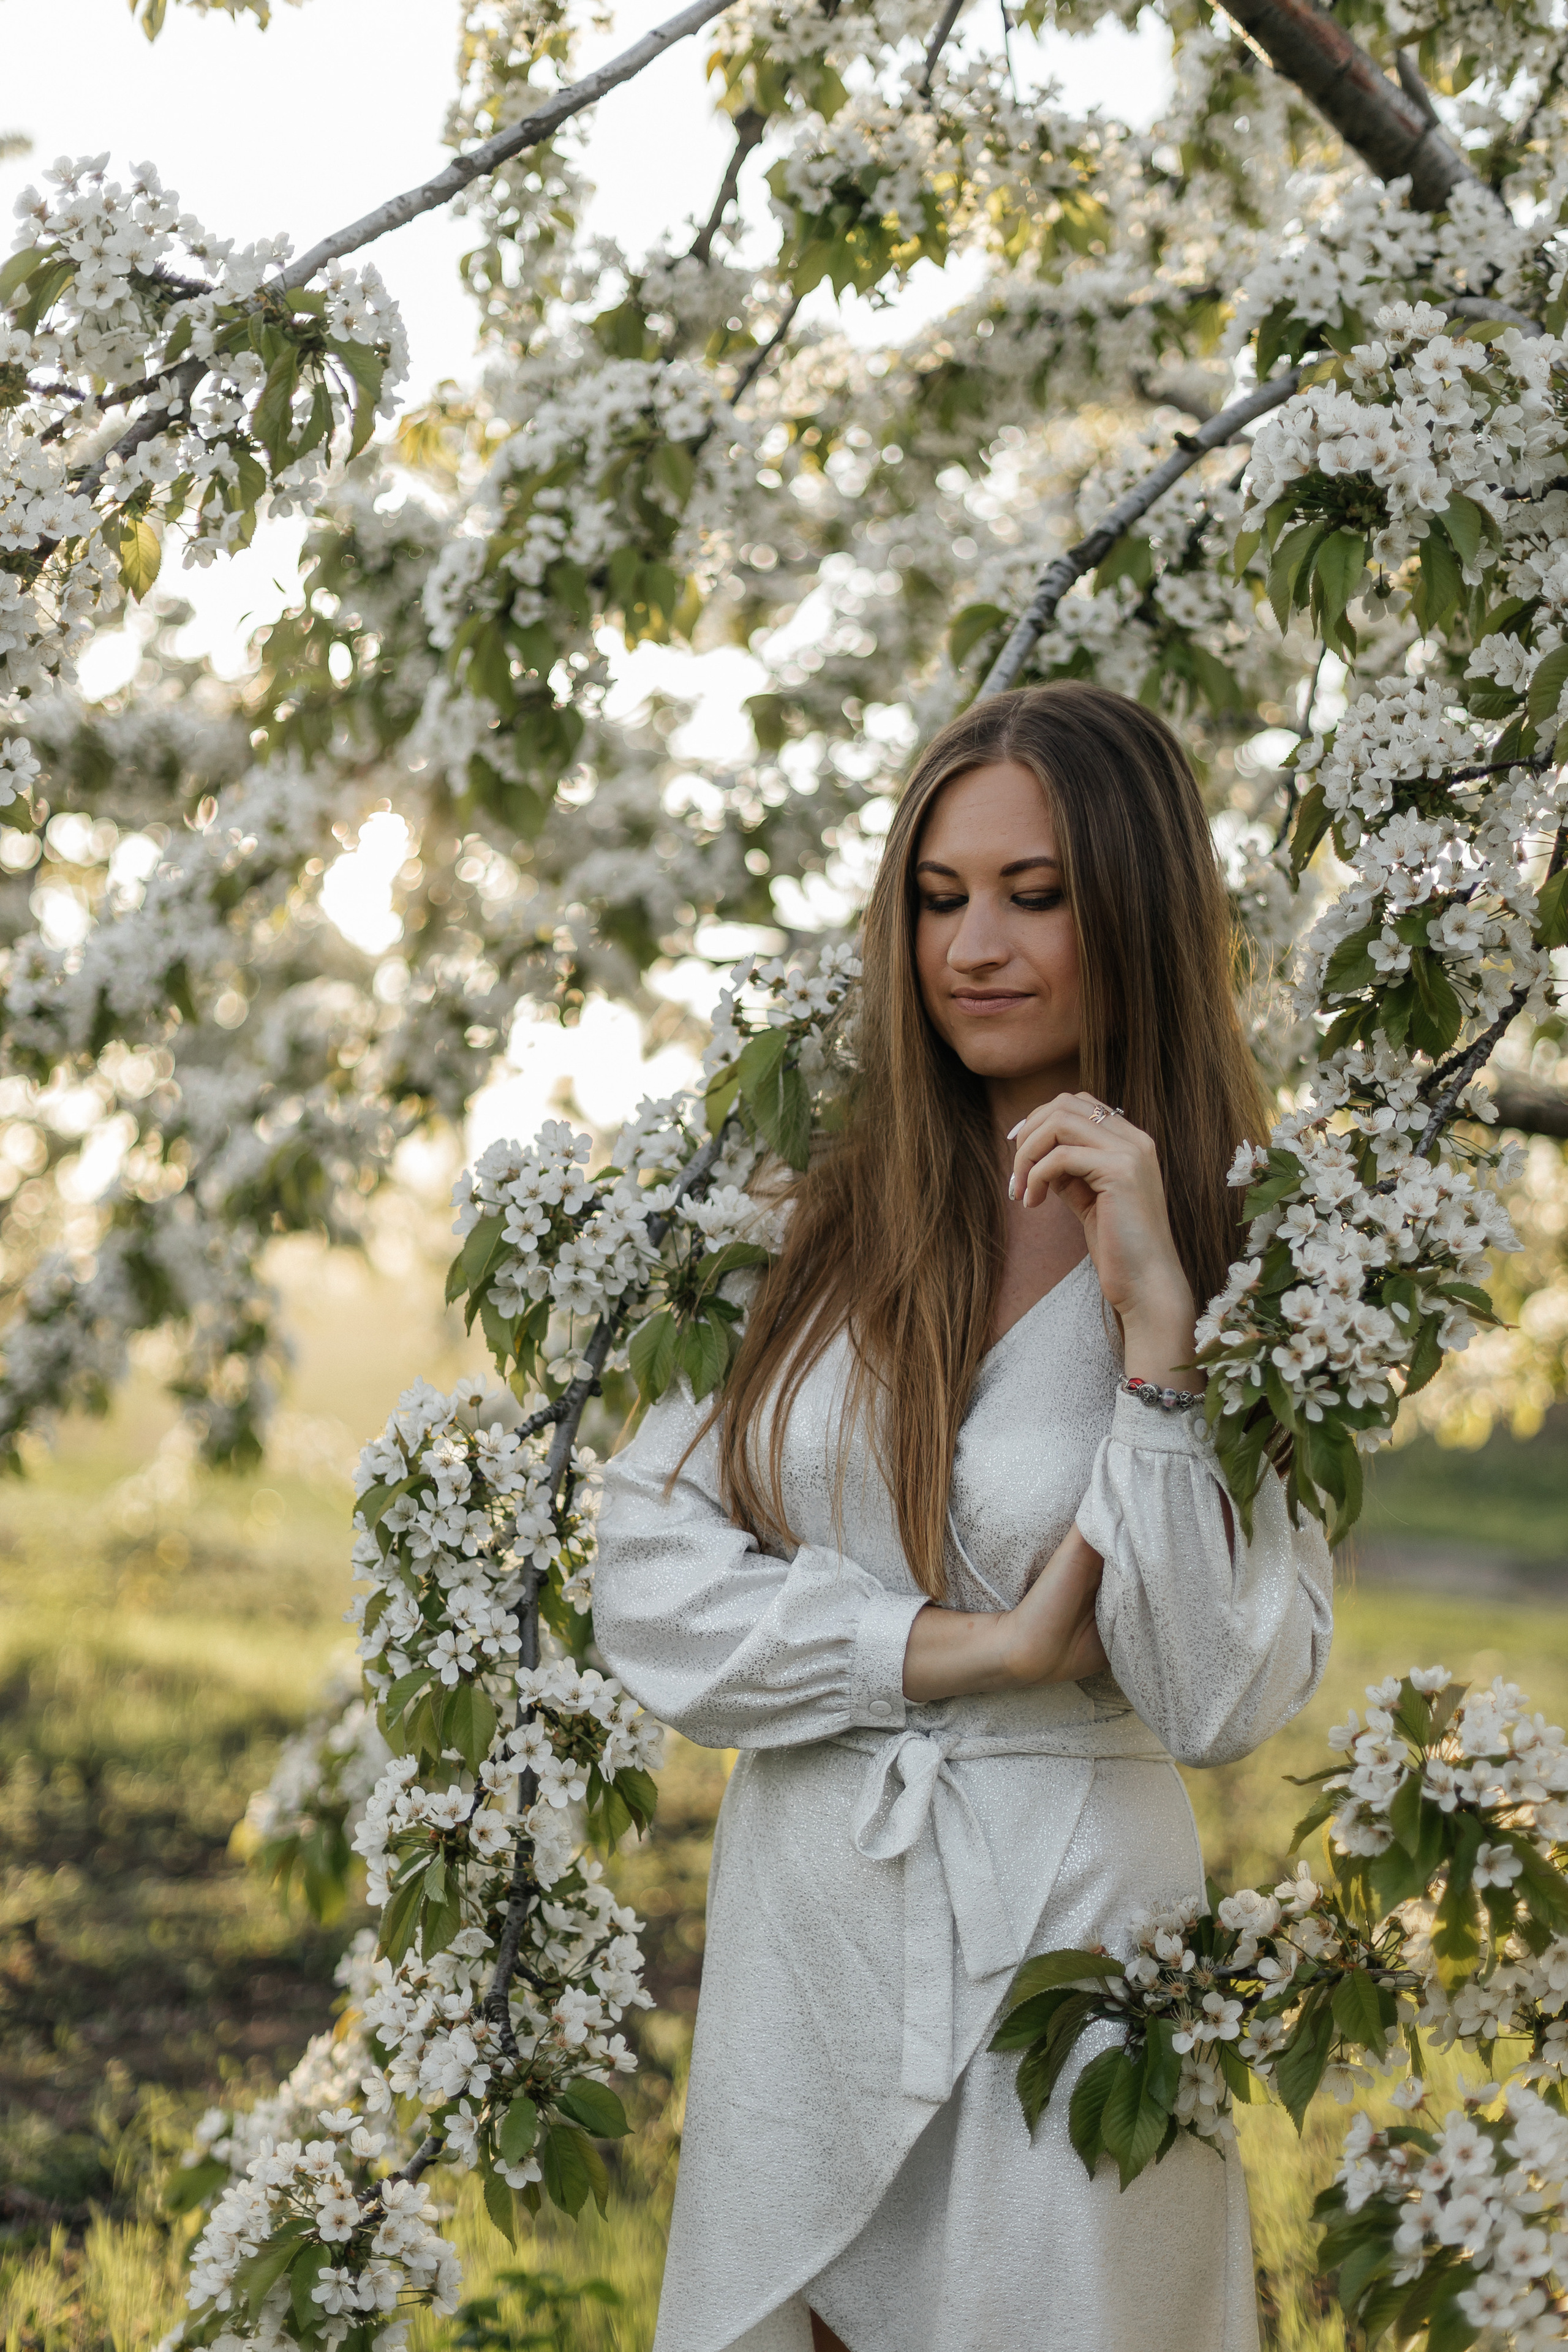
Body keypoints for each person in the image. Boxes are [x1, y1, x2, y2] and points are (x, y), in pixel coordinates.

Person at [592, 681, 1333, 2352]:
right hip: (814, 1896)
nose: (973, 946)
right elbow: (647, 1574)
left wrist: (1159, 1337)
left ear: (1134, 909)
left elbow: (1217, 1696)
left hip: (1071, 1930)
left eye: (1035, 894)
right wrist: (957, 1648)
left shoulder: (1259, 1259)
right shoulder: (813, 1212)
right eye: (939, 899)